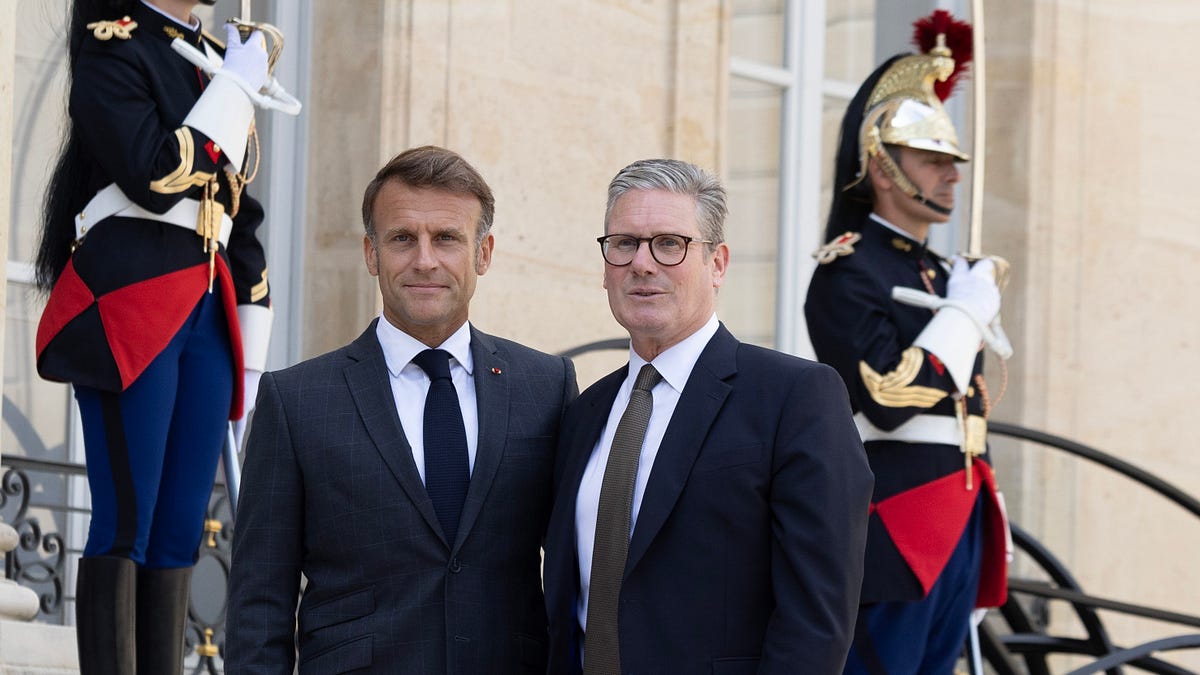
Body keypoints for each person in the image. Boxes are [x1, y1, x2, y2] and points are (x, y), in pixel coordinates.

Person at [225, 145, 579, 673]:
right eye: (402, 238)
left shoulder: (546, 387)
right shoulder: (295, 401)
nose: (425, 260)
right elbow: (259, 604)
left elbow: (579, 571)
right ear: (371, 253)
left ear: (483, 254)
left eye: (447, 238)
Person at [543, 158, 874, 674]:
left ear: (717, 264)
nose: (642, 263)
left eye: (669, 244)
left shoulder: (796, 397)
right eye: (624, 243)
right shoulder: (585, 413)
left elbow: (817, 621)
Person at [32, 1, 273, 672]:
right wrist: (233, 89)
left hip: (208, 308)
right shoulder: (115, 44)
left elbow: (236, 208)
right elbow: (155, 174)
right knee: (127, 523)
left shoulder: (213, 61)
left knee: (179, 533)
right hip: (133, 302)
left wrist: (252, 330)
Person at [804, 11, 1010, 674]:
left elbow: (968, 413)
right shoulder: (848, 271)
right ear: (883, 166)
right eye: (933, 160)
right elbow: (889, 398)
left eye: (953, 161)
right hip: (896, 522)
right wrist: (965, 315)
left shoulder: (942, 274)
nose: (952, 175)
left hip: (961, 515)